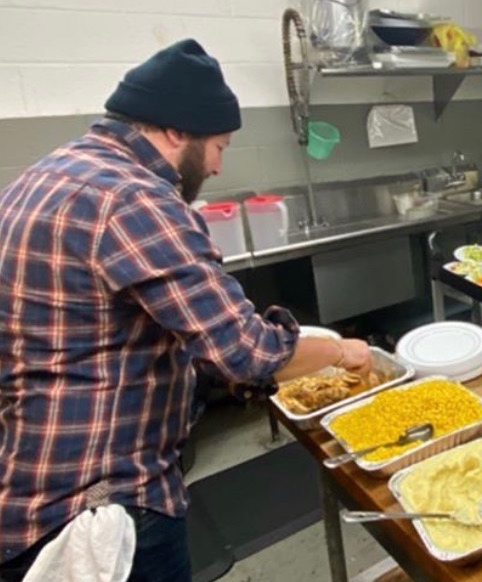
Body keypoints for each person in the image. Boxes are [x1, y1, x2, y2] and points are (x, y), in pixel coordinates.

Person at [0, 38, 372, 582]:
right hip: (104, 501)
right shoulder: (135, 198)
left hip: (32, 480)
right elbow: (247, 352)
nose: (219, 166)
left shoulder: (42, 177)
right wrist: (341, 350)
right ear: (176, 131)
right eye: (219, 146)